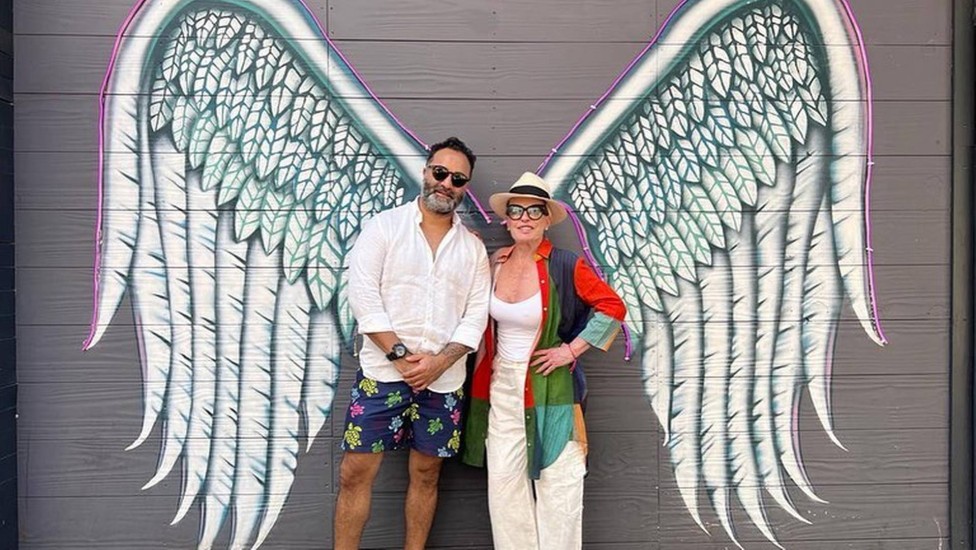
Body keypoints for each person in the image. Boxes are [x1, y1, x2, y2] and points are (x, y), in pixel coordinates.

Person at [334, 137, 491, 550]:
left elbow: (476, 316)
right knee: (355, 472)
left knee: (427, 475)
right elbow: (363, 297)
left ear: (464, 187)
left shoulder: (473, 249)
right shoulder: (384, 227)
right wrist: (401, 358)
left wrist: (439, 363)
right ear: (425, 172)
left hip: (444, 382)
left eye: (458, 179)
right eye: (440, 172)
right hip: (382, 374)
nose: (447, 183)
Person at [461, 172, 626, 550]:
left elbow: (613, 307)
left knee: (560, 483)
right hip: (502, 387)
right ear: (506, 219)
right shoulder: (496, 263)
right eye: (516, 210)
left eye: (534, 211)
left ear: (547, 219)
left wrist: (571, 350)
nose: (525, 218)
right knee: (504, 487)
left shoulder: (565, 264)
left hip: (551, 387)